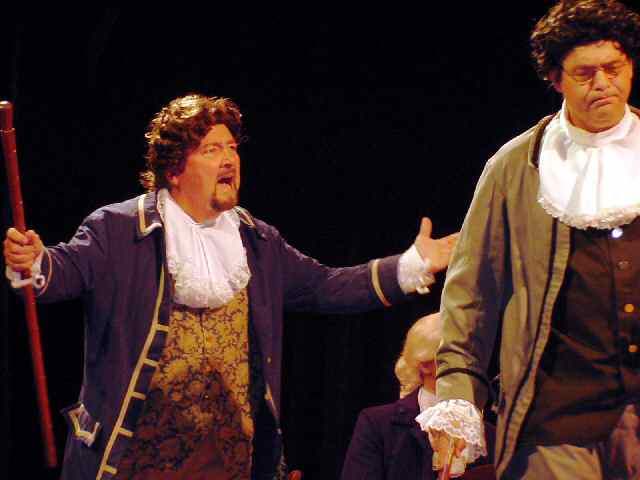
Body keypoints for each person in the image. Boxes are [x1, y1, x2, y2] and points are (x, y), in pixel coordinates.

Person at [3, 94, 458, 480]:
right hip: (134, 462)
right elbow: (61, 271)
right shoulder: (119, 229)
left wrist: (412, 265)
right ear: (175, 169)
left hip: (228, 462)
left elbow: (327, 287)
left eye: (232, 148)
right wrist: (34, 261)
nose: (229, 159)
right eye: (211, 149)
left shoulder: (257, 242)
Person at [416, 1, 640, 479]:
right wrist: (459, 394)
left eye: (614, 68)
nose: (603, 83)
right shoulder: (516, 167)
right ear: (557, 79)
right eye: (584, 74)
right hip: (557, 415)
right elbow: (471, 293)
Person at [341, 313, 496, 480]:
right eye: (458, 355)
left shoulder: (490, 435)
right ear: (425, 365)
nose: (472, 366)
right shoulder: (378, 425)